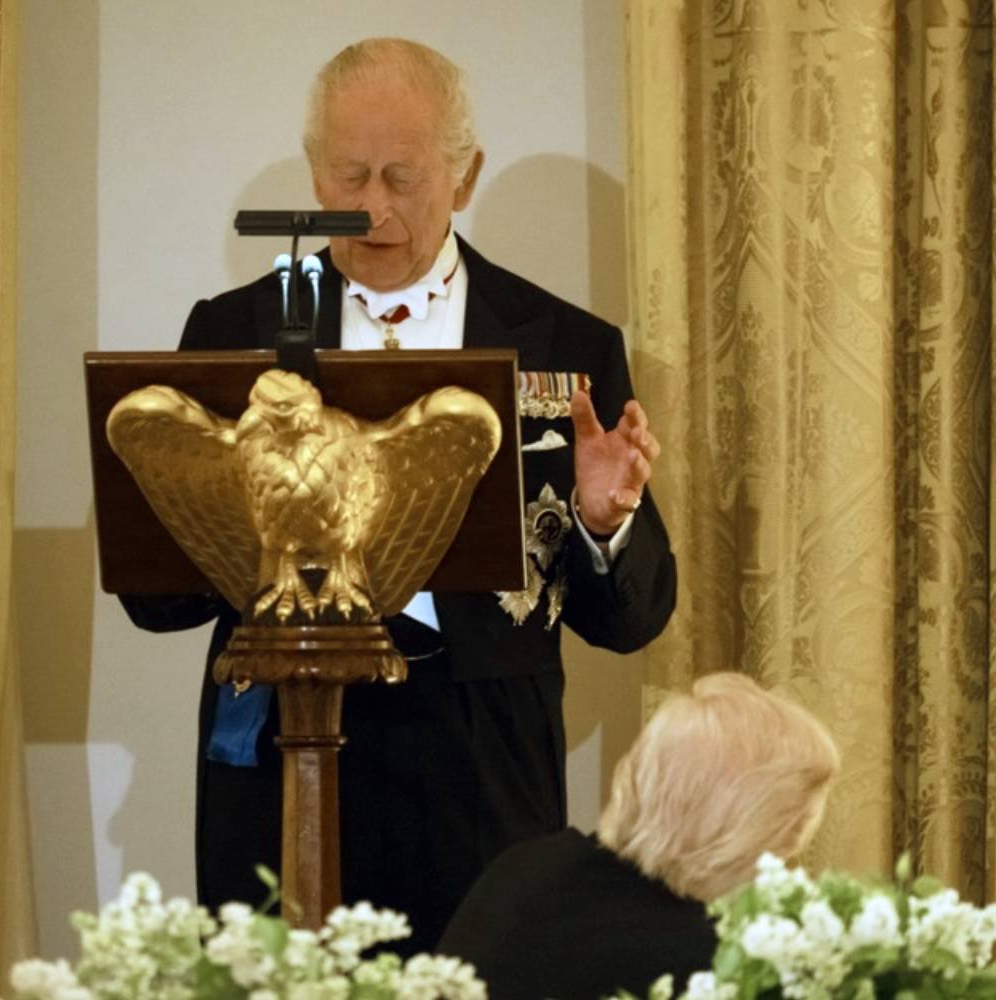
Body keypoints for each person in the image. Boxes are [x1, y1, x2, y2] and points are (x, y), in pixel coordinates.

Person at [120, 37, 676, 953]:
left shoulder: (563, 342)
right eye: (347, 175)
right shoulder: (234, 333)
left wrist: (601, 520)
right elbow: (157, 598)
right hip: (281, 755)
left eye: (401, 177)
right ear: (313, 170)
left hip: (481, 766)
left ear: (464, 176)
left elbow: (634, 619)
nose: (371, 206)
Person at [437, 672, 841, 999]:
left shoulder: (526, 868)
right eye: (790, 833)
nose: (787, 858)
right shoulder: (698, 962)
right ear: (746, 832)